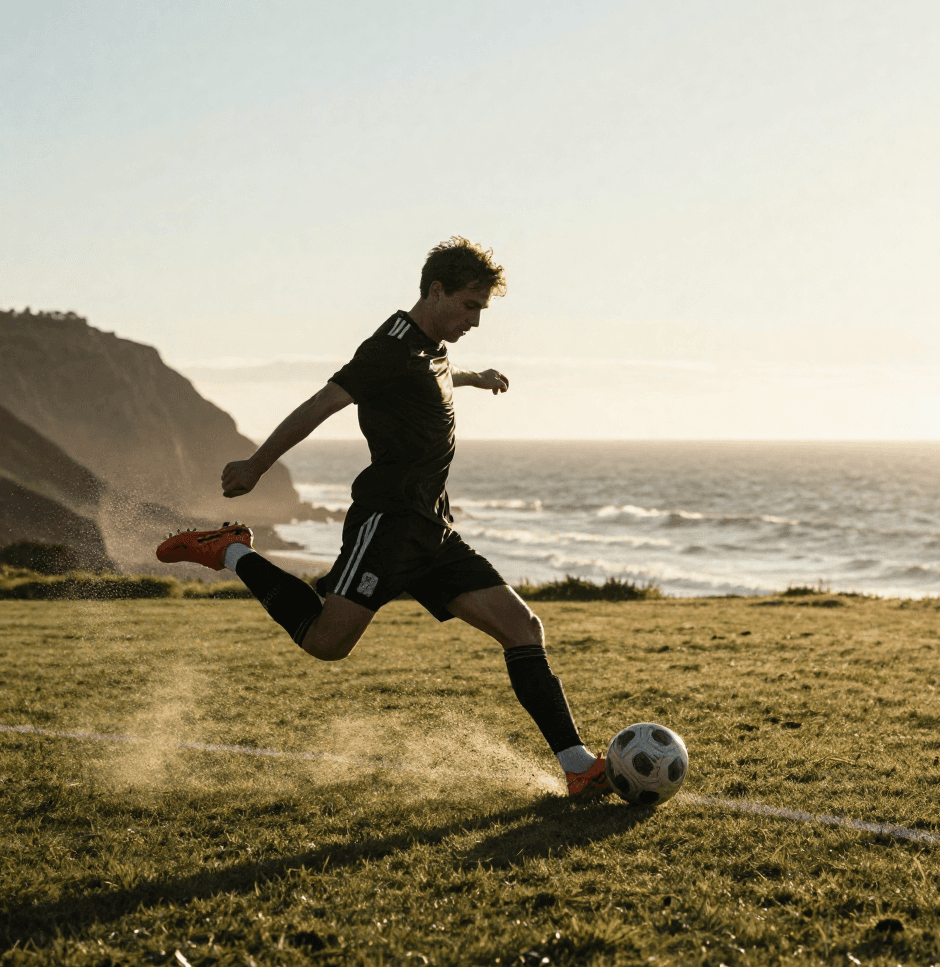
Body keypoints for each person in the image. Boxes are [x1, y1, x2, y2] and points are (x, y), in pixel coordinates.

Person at [157, 237, 610, 799]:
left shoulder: (431, 345)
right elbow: (320, 405)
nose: (474, 320)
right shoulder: (387, 349)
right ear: (435, 290)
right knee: (326, 642)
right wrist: (255, 465)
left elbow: (436, 375)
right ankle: (229, 550)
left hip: (433, 528)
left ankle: (578, 767)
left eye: (480, 311)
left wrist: (476, 376)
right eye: (469, 306)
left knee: (524, 629)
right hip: (389, 522)